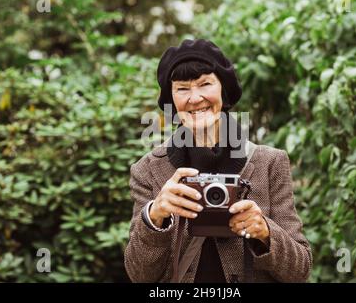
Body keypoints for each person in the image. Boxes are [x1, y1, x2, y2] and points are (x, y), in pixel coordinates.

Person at [124, 39, 312, 283]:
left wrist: (265, 232)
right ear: (171, 100)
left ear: (223, 90)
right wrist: (155, 215)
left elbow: (300, 271)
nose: (195, 98)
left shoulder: (269, 163)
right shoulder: (148, 170)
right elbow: (139, 276)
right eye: (182, 88)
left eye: (205, 84)